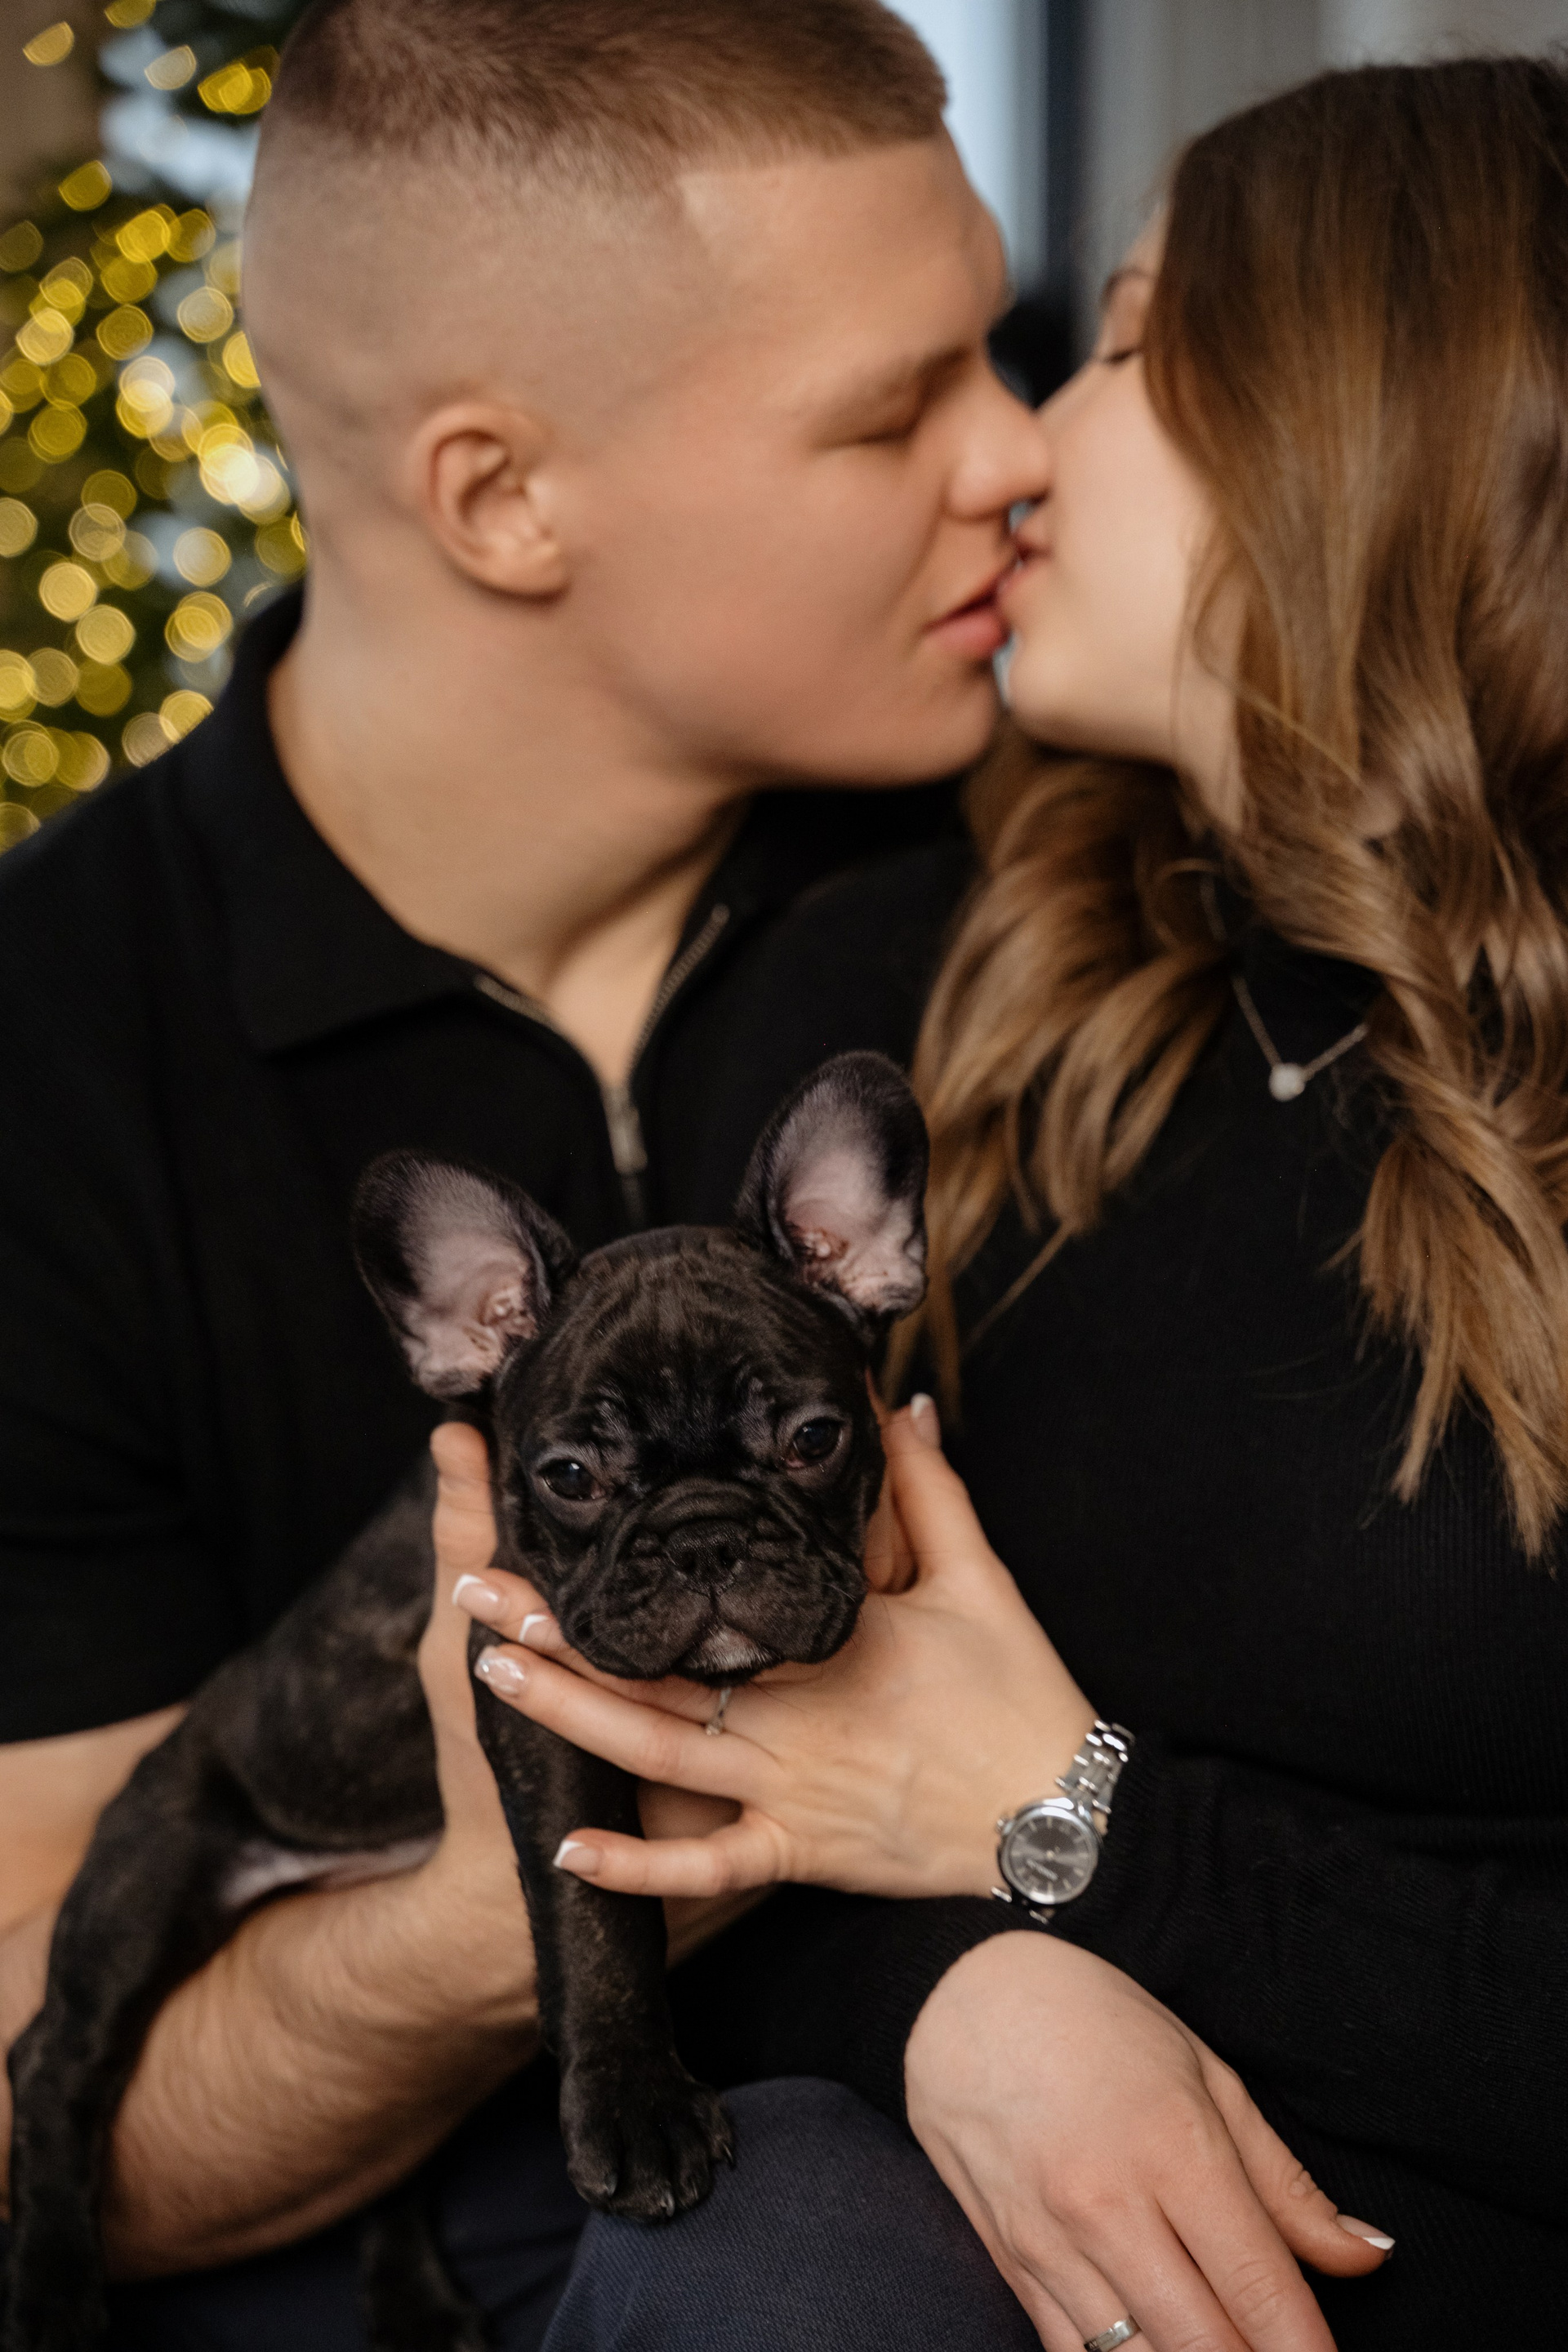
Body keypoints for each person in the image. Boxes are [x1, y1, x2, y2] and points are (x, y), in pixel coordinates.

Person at [453, 55, 1568, 2352]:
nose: (1030, 444)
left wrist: (1069, 1829)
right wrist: (966, 1989)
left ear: (1379, 428)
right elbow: (731, 1795)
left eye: (1134, 346)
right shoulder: (901, 989)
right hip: (957, 2214)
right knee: (771, 2255)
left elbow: (977, 1791)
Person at [0, 0, 1054, 2341]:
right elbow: (27, 2089)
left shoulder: (1059, 886)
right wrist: (521, 1911)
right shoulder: (51, 1054)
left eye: (1004, 356)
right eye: (892, 408)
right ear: (501, 500)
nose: (1022, 455)